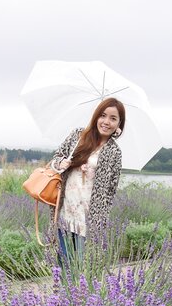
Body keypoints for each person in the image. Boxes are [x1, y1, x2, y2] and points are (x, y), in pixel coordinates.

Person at [49, 97, 124, 269]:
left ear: (119, 124)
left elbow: (111, 190)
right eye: (103, 115)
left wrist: (101, 219)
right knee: (64, 266)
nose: (106, 122)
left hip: (89, 219)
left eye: (113, 118)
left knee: (83, 268)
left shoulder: (114, 152)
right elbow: (56, 159)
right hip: (66, 212)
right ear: (96, 116)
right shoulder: (78, 136)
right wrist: (61, 163)